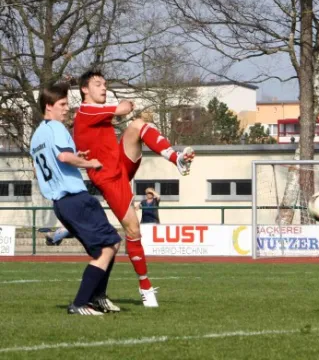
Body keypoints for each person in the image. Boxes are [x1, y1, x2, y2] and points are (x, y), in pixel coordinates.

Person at [73, 70, 195, 307]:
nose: (104, 88)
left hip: (118, 163)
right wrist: (125, 105)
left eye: (105, 84)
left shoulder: (96, 110)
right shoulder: (87, 110)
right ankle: (145, 286)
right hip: (108, 178)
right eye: (98, 84)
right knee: (133, 229)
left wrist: (125, 108)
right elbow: (122, 109)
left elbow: (120, 115)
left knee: (138, 125)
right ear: (84, 90)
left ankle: (175, 157)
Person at [30, 82, 121, 315]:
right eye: (62, 104)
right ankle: (81, 303)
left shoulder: (37, 135)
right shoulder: (56, 127)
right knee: (107, 247)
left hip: (61, 203)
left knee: (111, 243)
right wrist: (88, 162)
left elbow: (41, 167)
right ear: (48, 107)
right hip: (75, 198)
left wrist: (74, 157)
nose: (66, 109)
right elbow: (62, 155)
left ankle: (97, 297)